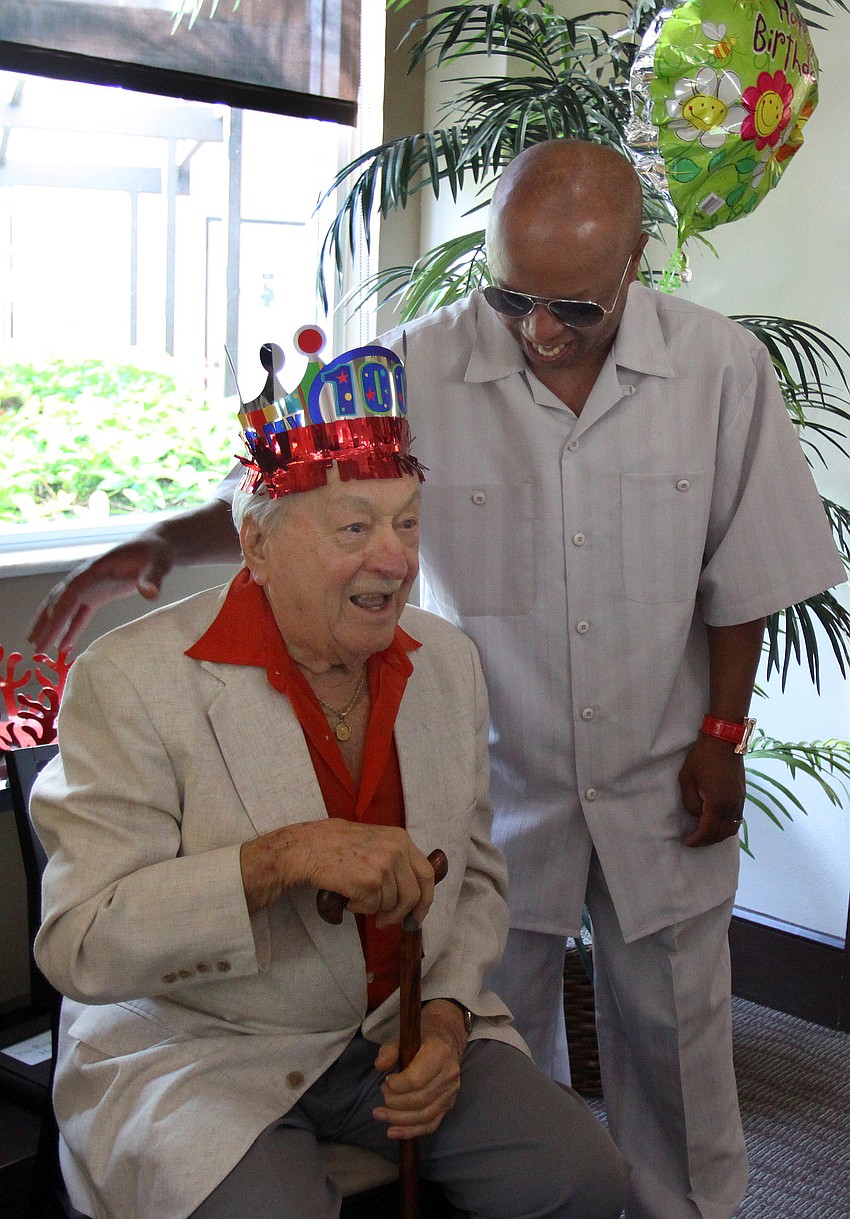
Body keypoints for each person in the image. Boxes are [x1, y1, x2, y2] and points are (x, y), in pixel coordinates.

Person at [29, 141, 847, 1219]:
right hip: (506, 771)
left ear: (637, 261)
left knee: (678, 1035)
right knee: (490, 1032)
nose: (540, 331)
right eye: (511, 296)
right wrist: (155, 545)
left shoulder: (718, 368)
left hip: (662, 761)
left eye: (575, 308)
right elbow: (294, 480)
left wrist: (723, 733)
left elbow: (744, 567)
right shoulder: (419, 360)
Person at [29, 343, 629, 1219]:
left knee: (582, 1176)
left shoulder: (447, 664)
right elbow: (79, 942)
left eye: (409, 522)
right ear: (257, 544)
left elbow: (476, 875)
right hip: (203, 1046)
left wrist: (452, 1019)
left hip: (397, 1030)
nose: (394, 561)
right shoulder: (133, 679)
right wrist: (282, 858)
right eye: (354, 528)